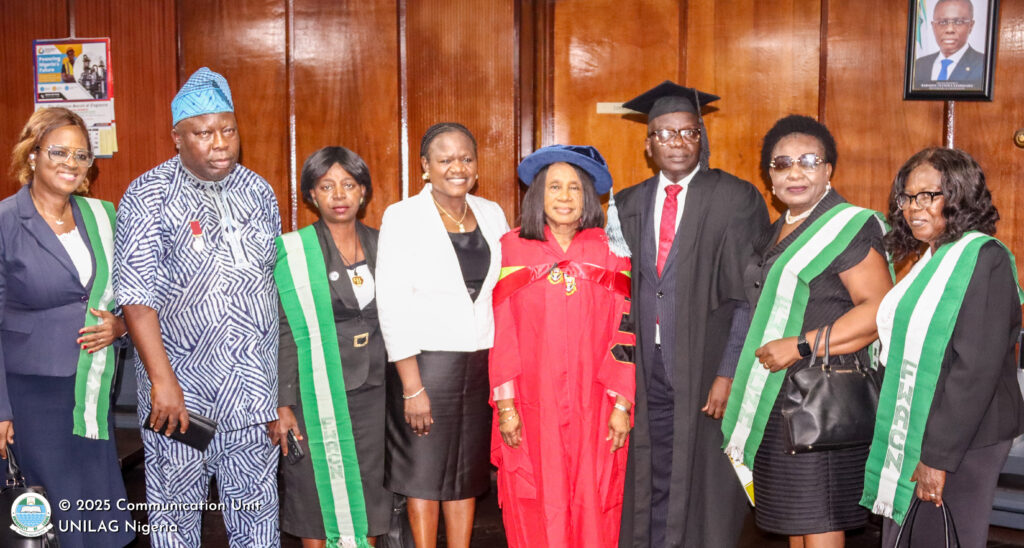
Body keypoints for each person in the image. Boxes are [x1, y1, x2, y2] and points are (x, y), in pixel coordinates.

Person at [113, 67, 281, 546]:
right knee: (176, 518)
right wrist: (163, 384)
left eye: (228, 130)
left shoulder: (259, 192)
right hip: (184, 400)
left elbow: (275, 288)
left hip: (252, 398)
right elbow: (136, 299)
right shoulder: (148, 195)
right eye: (204, 133)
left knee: (257, 519)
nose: (220, 143)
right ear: (177, 138)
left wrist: (280, 395)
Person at [721, 115, 893, 547]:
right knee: (797, 523)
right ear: (770, 176)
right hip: (777, 397)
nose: (795, 172)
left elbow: (878, 311)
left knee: (819, 519)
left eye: (809, 161)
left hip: (824, 399)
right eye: (782, 164)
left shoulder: (849, 227)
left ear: (828, 169)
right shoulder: (774, 231)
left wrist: (800, 346)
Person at [611, 80, 769, 548]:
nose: (677, 142)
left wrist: (729, 373)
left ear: (701, 138)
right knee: (650, 462)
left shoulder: (735, 198)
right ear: (649, 145)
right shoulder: (627, 204)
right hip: (645, 366)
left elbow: (749, 296)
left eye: (688, 132)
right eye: (664, 133)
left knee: (704, 474)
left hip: (706, 363)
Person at [862, 147, 1024, 548]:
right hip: (923, 425)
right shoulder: (931, 258)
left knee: (944, 537)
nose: (913, 208)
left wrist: (937, 457)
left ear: (960, 196)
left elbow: (976, 369)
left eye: (928, 196)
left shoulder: (983, 258)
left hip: (965, 437)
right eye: (907, 197)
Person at [490, 145, 636, 547]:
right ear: (538, 194)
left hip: (597, 402)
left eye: (575, 187)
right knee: (537, 496)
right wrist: (506, 407)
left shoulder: (612, 250)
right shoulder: (512, 249)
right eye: (555, 187)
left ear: (589, 197)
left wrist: (622, 404)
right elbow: (502, 333)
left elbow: (628, 330)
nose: (565, 197)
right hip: (533, 402)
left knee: (596, 495)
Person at [0, 107, 133, 547]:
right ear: (33, 154)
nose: (71, 163)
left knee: (93, 507)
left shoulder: (104, 216)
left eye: (81, 155)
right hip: (31, 397)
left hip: (91, 390)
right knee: (46, 515)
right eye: (59, 151)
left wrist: (120, 327)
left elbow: (133, 296)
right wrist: (0, 410)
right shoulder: (5, 221)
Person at [376, 122, 509, 548]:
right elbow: (392, 304)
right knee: (423, 474)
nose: (457, 167)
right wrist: (412, 387)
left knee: (465, 475)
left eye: (466, 158)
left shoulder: (491, 213)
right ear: (425, 166)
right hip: (425, 367)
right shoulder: (402, 216)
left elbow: (503, 290)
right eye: (445, 159)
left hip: (479, 364)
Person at [272, 146, 390, 547]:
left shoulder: (384, 244)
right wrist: (283, 403)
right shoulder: (294, 252)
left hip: (377, 390)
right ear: (311, 194)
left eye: (348, 184)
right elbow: (284, 330)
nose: (339, 195)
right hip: (314, 388)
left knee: (371, 487)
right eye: (326, 186)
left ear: (363, 191)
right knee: (313, 489)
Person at [913, 0, 984, 85]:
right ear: (933, 26)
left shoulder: (984, 65)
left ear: (971, 26)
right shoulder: (919, 65)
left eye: (958, 22)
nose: (949, 29)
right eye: (942, 22)